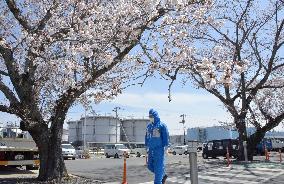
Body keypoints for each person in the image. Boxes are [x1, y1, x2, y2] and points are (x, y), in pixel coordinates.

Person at [145, 109, 169, 184]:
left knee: (158, 170)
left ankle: (159, 179)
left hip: (159, 150)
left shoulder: (161, 126)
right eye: (149, 116)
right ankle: (163, 174)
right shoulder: (149, 126)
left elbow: (166, 136)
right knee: (150, 166)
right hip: (151, 149)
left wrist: (166, 147)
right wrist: (146, 146)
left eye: (151, 116)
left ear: (155, 116)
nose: (150, 118)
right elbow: (146, 137)